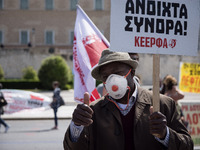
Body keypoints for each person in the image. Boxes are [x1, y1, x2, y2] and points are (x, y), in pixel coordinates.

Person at [63, 49, 193, 150]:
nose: (111, 80)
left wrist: (165, 135)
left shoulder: (163, 104)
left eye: (117, 73)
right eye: (106, 76)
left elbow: (187, 145)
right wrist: (76, 126)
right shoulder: (92, 111)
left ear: (132, 72)